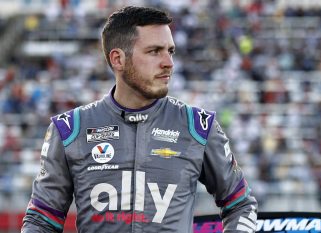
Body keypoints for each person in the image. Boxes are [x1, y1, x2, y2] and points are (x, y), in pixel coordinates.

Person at [22, 6, 258, 233]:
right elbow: (41, 221)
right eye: (154, 51)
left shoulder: (198, 126)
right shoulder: (69, 129)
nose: (169, 62)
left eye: (170, 51)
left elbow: (240, 205)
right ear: (118, 59)